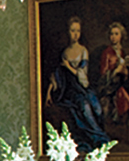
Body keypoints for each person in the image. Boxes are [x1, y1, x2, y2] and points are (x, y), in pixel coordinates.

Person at [44, 15, 111, 153]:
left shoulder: (83, 50)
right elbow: (58, 75)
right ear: (68, 32)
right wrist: (49, 93)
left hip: (83, 85)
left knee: (97, 107)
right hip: (70, 89)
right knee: (84, 106)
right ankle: (98, 138)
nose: (75, 34)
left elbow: (82, 74)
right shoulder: (65, 52)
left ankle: (98, 135)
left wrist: (69, 66)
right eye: (73, 30)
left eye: (78, 31)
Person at [96, 21, 129, 126]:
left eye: (116, 34)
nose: (113, 37)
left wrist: (125, 72)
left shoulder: (122, 52)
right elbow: (103, 75)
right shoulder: (107, 53)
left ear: (121, 36)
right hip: (110, 88)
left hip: (121, 85)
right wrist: (116, 71)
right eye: (111, 34)